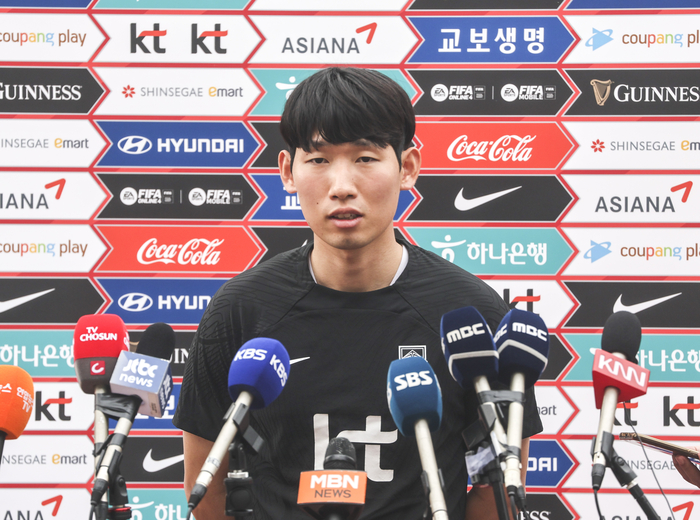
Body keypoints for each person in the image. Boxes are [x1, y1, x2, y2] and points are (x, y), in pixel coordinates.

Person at [173, 67, 542, 520]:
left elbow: (496, 489)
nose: (342, 186)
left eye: (366, 158)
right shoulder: (240, 311)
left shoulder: (472, 316)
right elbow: (205, 488)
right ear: (287, 171)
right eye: (318, 160)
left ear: (407, 167)